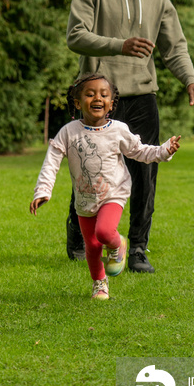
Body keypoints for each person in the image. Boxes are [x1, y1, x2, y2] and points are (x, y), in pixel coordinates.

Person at [66, 0, 194, 272]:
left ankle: (139, 248)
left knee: (145, 175)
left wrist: (190, 80)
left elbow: (174, 47)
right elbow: (76, 36)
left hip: (142, 96)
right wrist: (120, 45)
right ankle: (80, 237)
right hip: (98, 99)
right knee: (90, 172)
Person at [30, 73, 181, 300]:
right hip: (84, 198)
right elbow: (51, 161)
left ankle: (117, 243)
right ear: (78, 103)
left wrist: (164, 151)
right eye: (90, 94)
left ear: (111, 103)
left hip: (113, 193)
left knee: (103, 232)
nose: (97, 98)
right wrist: (43, 191)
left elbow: (140, 151)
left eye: (103, 94)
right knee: (91, 245)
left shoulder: (118, 130)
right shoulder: (68, 132)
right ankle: (100, 284)